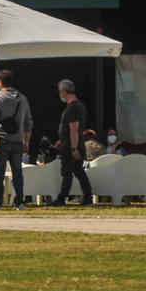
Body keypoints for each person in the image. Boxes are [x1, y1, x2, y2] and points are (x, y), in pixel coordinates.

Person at [0, 68, 32, 211]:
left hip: (2, 140)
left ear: (0, 83)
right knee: (17, 173)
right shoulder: (23, 98)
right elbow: (28, 122)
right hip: (18, 141)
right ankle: (20, 202)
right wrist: (26, 142)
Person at [50, 79, 93, 207]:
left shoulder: (73, 108)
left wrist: (74, 148)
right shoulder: (79, 106)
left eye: (60, 91)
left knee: (67, 172)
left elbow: (74, 129)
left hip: (71, 145)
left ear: (64, 91)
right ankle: (88, 196)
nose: (60, 94)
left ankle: (61, 198)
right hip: (72, 142)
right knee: (79, 171)